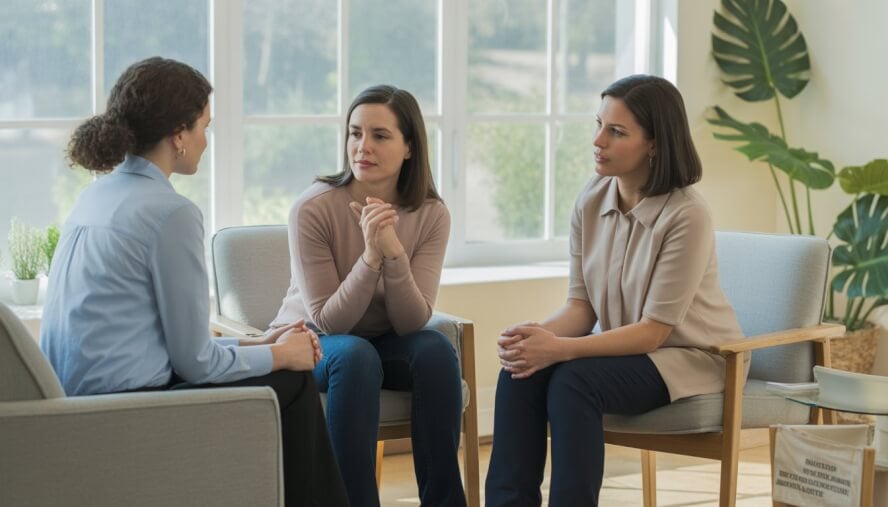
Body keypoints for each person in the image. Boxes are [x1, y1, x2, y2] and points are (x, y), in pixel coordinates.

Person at [39, 57, 348, 507]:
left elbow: (167, 348)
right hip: (130, 412)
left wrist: (260, 344)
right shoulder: (170, 212)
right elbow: (195, 364)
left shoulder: (95, 196)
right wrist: (280, 355)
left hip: (82, 408)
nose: (206, 140)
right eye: (205, 126)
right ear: (178, 135)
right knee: (295, 384)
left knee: (282, 371)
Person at [484, 74, 747, 506]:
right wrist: (533, 338)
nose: (598, 140)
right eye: (599, 125)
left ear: (656, 144)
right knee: (520, 370)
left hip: (691, 359)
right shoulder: (590, 199)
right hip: (629, 351)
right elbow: (581, 308)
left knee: (574, 380)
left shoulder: (687, 215)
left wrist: (560, 349)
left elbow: (654, 332)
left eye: (617, 132)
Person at [269, 85, 465, 507]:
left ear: (410, 146)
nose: (363, 147)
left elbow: (413, 321)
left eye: (379, 135)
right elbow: (328, 320)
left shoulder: (431, 214)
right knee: (356, 354)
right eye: (355, 133)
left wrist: (394, 252)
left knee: (434, 348)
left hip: (381, 340)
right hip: (312, 343)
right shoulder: (314, 208)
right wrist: (371, 257)